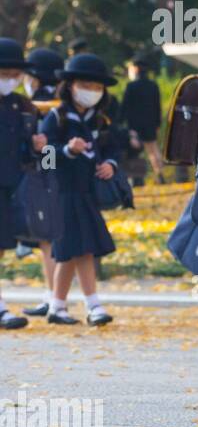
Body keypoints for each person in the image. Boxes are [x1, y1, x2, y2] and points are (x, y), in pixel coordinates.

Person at [38, 52, 121, 326]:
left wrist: (111, 165)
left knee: (79, 250)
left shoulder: (102, 120)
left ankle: (59, 306)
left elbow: (112, 149)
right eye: (86, 85)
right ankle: (89, 305)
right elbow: (45, 157)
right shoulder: (56, 116)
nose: (91, 92)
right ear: (70, 85)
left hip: (87, 193)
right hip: (61, 193)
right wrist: (67, 150)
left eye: (97, 88)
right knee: (75, 250)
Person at [0, 39, 46, 329]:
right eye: (5, 73)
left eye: (15, 75)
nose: (10, 80)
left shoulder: (24, 107)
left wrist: (39, 148)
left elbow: (38, 156)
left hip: (9, 188)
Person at [16, 46, 62, 313]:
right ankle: (53, 296)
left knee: (48, 241)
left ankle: (52, 296)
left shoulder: (39, 106)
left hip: (45, 177)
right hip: (58, 176)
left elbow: (47, 148)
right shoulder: (59, 102)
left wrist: (45, 173)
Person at [121, 51, 164, 185]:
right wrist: (157, 123)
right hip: (150, 123)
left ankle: (136, 179)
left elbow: (125, 107)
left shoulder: (131, 86)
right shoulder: (153, 85)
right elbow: (158, 106)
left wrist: (121, 123)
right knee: (153, 150)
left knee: (135, 153)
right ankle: (160, 175)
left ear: (136, 68)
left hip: (134, 126)